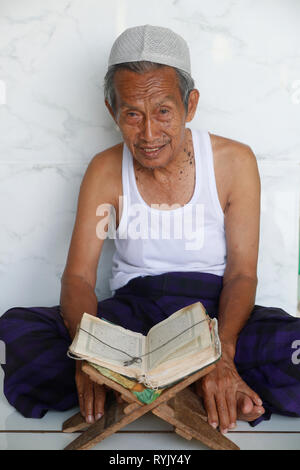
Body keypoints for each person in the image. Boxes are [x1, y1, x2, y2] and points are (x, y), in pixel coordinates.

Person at [1, 25, 300, 436]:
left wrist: (222, 353)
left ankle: (147, 391)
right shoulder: (105, 170)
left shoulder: (234, 162)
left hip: (213, 314)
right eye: (132, 114)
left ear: (189, 105)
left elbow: (242, 274)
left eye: (163, 111)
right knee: (17, 332)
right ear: (112, 111)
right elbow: (79, 277)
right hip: (131, 322)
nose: (148, 134)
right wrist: (94, 357)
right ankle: (191, 391)